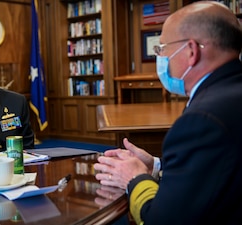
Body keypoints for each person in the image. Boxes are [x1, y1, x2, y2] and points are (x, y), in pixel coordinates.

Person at [94, 2, 242, 225]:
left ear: (191, 51)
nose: (160, 57)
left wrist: (134, 177)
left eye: (162, 49)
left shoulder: (201, 120)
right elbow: (215, 167)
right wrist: (156, 165)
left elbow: (162, 220)